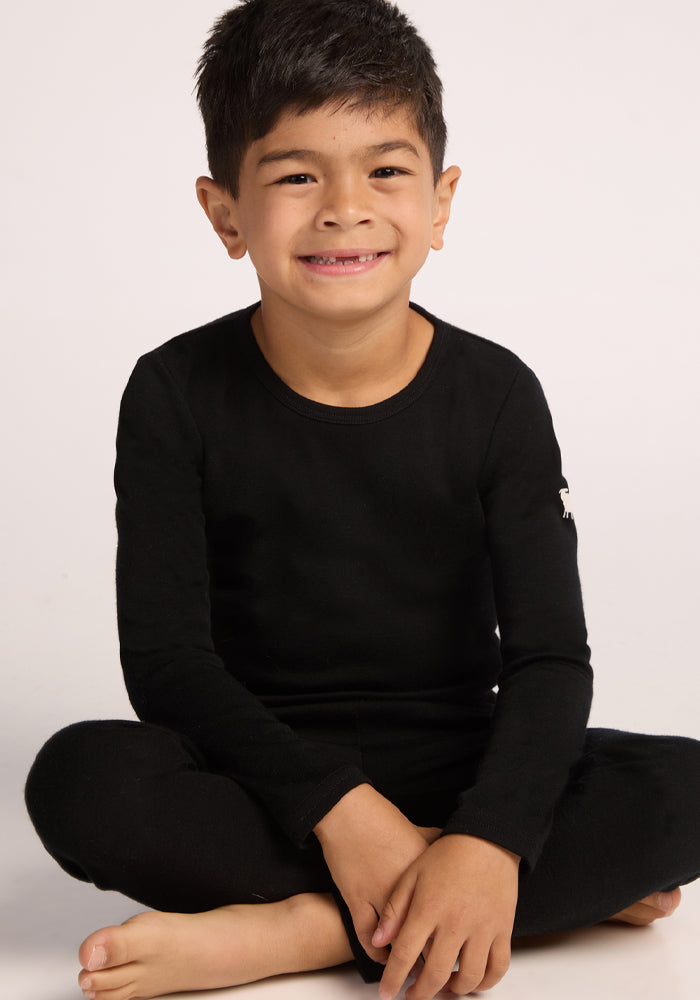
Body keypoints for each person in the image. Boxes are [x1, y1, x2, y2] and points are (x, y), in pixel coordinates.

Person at [24, 2, 700, 999]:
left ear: (439, 201)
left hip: (456, 761)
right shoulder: (174, 392)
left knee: (686, 787)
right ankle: (475, 899)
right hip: (263, 779)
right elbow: (167, 664)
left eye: (384, 170)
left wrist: (487, 834)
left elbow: (550, 657)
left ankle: (302, 928)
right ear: (224, 213)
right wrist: (342, 809)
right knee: (78, 780)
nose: (344, 207)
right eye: (296, 175)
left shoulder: (495, 393)